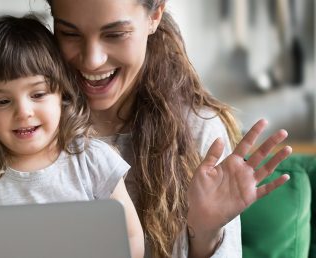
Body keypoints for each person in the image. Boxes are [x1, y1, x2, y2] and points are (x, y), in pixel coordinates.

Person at [43, 0, 293, 257]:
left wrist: (205, 232)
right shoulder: (27, 126)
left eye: (115, 34)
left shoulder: (197, 129)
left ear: (155, 15)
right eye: (70, 33)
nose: (93, 60)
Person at [0, 15, 144, 258]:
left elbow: (129, 235)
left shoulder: (93, 160)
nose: (23, 112)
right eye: (3, 101)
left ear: (62, 95)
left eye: (38, 94)